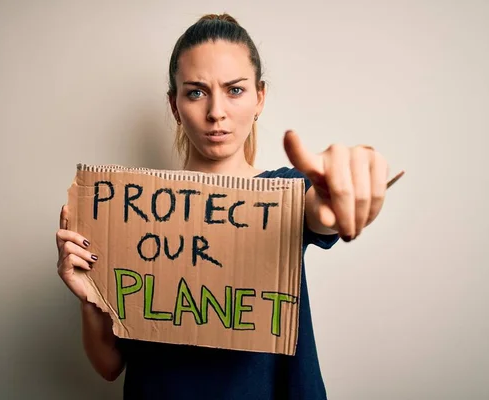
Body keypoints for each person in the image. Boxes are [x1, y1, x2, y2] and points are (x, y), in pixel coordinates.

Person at [56, 13, 394, 399]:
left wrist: (339, 185)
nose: (216, 111)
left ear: (259, 98)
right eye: (196, 92)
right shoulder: (128, 209)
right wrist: (88, 297)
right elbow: (110, 367)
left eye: (234, 90)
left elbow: (319, 213)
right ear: (174, 105)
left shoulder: (285, 192)